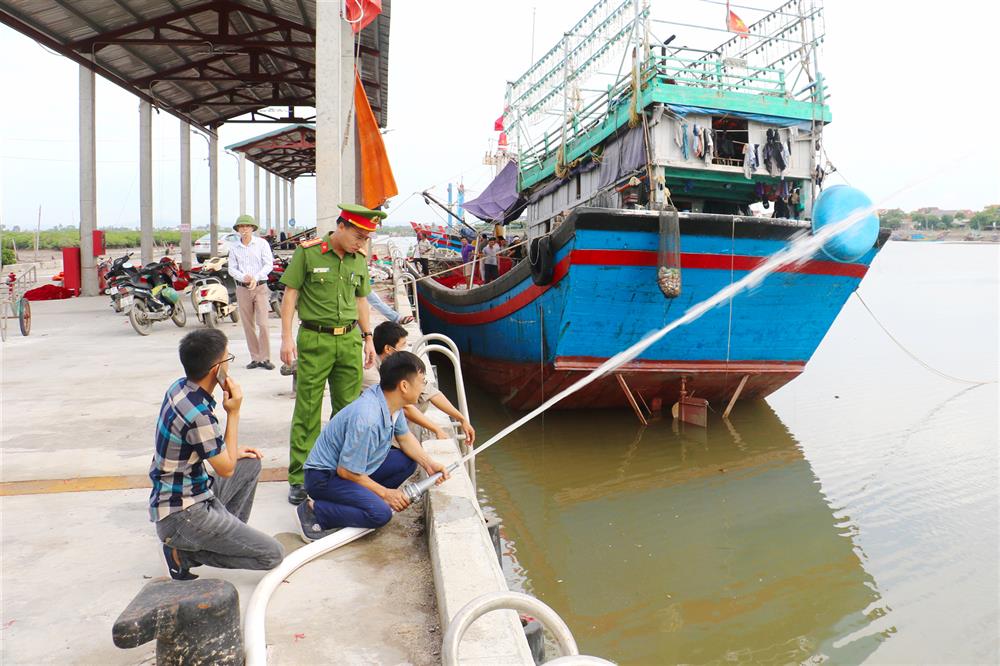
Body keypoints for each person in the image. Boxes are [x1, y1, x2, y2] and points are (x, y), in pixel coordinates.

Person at [150, 329, 284, 580]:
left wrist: (231, 451)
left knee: (250, 463)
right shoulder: (199, 415)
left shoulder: (179, 388)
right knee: (272, 555)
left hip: (190, 491)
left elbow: (215, 455)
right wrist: (234, 412)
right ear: (216, 369)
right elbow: (226, 469)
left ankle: (221, 535)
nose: (229, 367)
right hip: (184, 514)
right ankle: (183, 555)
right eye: (227, 360)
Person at [279, 203, 383, 505]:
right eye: (358, 235)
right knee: (308, 410)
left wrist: (368, 338)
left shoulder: (358, 259)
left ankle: (340, 472)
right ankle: (299, 477)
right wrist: (286, 338)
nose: (361, 242)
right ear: (341, 226)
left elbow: (361, 300)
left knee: (349, 412)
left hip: (349, 340)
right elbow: (290, 295)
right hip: (315, 340)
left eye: (366, 238)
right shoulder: (308, 252)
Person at [297, 351, 451, 540]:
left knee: (407, 461)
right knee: (380, 514)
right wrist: (386, 494)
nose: (424, 387)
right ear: (404, 385)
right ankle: (315, 510)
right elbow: (346, 471)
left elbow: (404, 438)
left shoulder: (390, 402)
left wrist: (429, 464)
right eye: (422, 381)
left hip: (348, 470)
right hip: (323, 478)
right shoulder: (368, 419)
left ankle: (358, 501)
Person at [361, 321, 476, 446]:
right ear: (388, 349)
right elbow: (403, 407)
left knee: (421, 398)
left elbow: (430, 392)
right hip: (373, 425)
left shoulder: (398, 363)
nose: (406, 349)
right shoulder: (369, 372)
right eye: (403, 345)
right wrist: (436, 429)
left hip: (394, 417)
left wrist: (461, 419)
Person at [228, 214, 276, 370]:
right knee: (248, 325)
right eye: (241, 227)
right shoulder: (234, 247)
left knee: (263, 323)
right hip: (242, 288)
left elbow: (268, 264)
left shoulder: (262, 244)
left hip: (260, 287)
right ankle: (255, 357)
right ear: (237, 229)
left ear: (253, 228)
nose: (244, 229)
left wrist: (256, 277)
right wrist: (244, 276)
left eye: (247, 226)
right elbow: (231, 268)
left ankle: (265, 358)